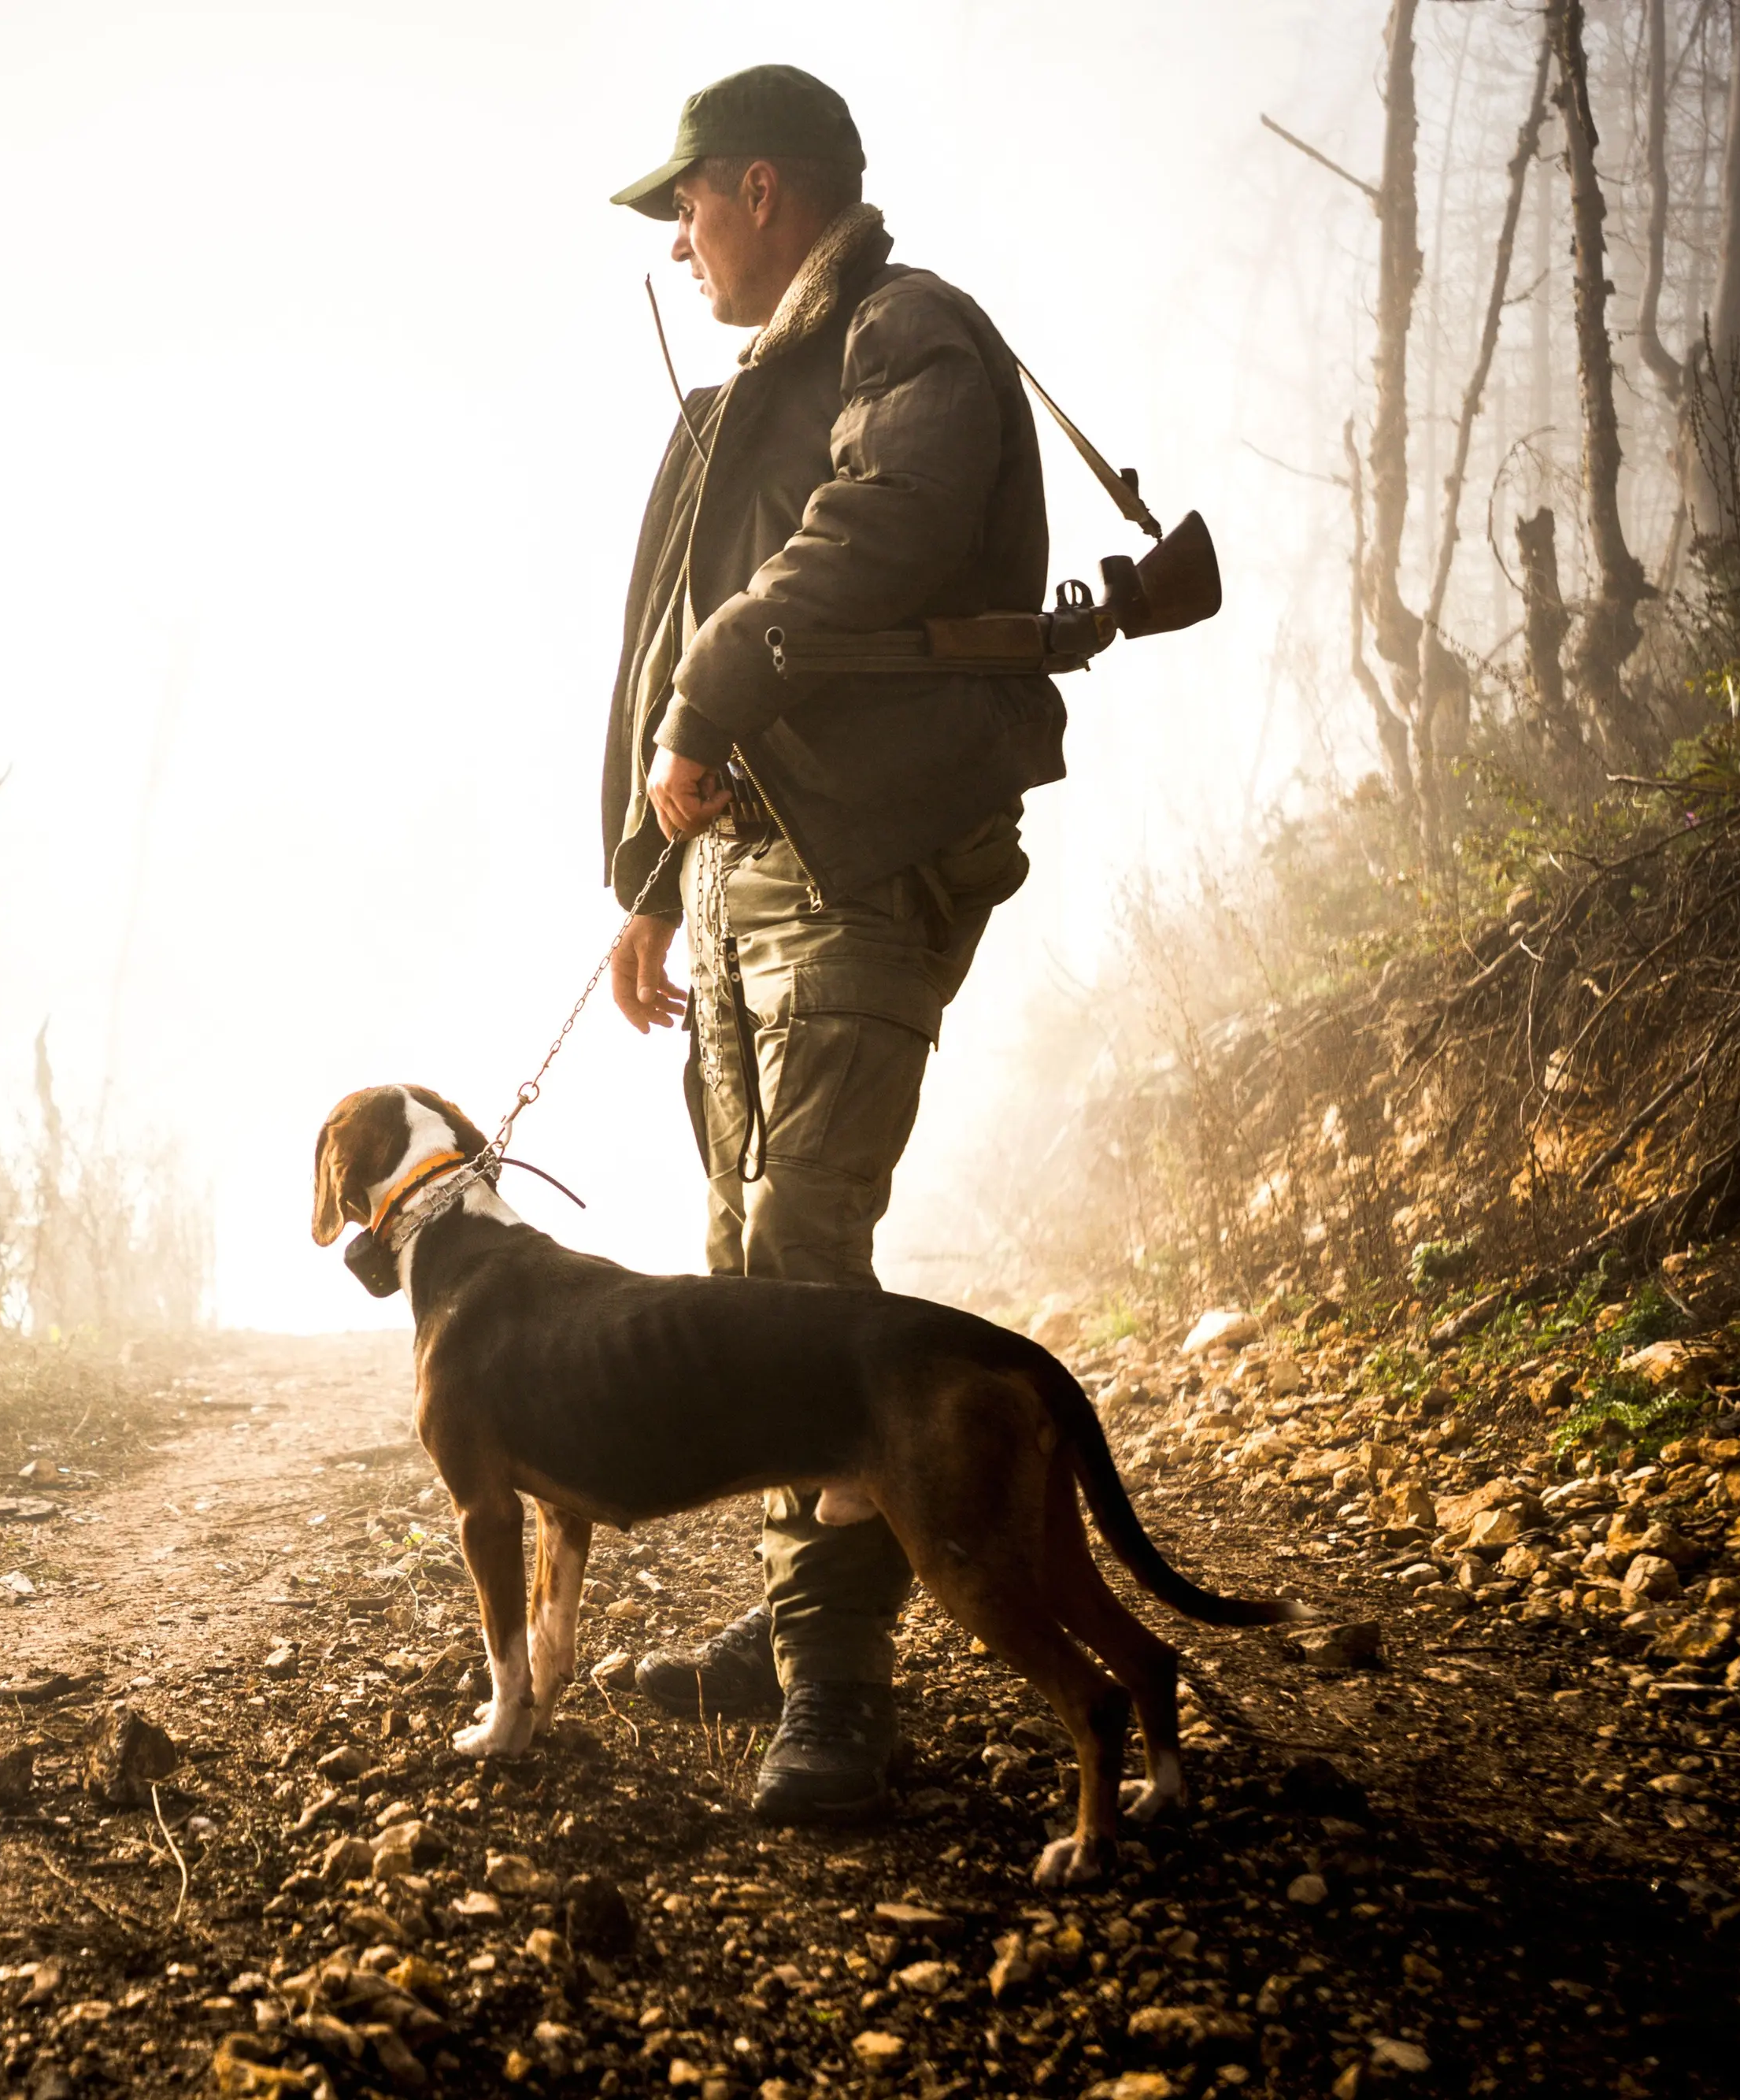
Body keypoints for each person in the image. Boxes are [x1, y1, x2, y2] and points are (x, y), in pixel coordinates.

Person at [598, 64, 1066, 1822]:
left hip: (865, 875)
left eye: (688, 210)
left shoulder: (907, 330)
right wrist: (646, 879)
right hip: (732, 890)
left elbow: (884, 530)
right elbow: (656, 650)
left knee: (797, 1257)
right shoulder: (744, 397)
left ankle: (837, 1690)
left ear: (766, 189)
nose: (676, 248)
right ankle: (799, 1615)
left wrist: (712, 692)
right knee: (743, 1267)